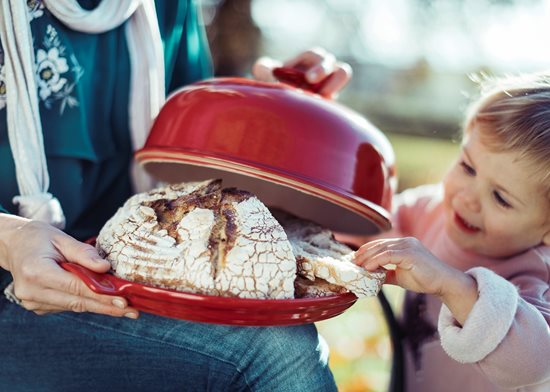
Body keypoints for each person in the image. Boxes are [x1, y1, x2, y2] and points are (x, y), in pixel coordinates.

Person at [0, 1, 352, 391]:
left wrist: (264, 109)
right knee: (275, 351)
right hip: (9, 286)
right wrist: (8, 238)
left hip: (128, 278)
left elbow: (190, 161)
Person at [352, 72, 550, 391]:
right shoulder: (434, 209)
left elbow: (534, 364)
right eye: (468, 167)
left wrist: (451, 285)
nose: (467, 197)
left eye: (500, 197)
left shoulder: (535, 275)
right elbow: (370, 227)